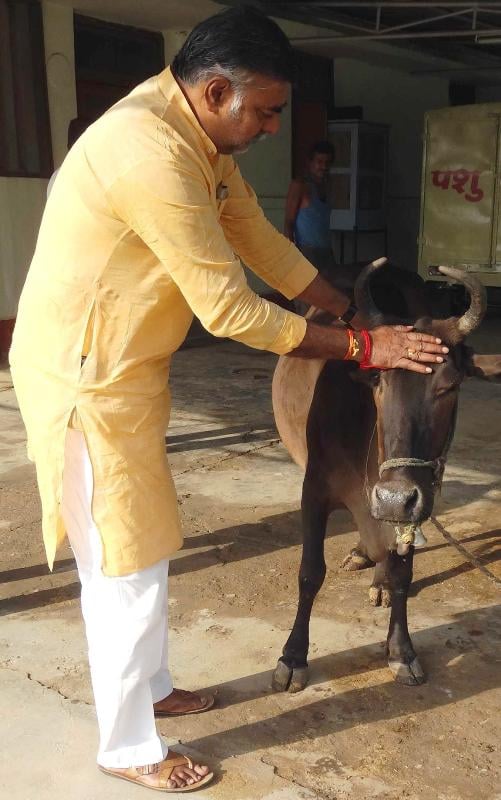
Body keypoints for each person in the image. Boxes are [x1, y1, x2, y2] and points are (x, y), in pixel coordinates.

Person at [9, 5, 448, 794]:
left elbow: (259, 242)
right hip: (86, 379)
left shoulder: (194, 135)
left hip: (126, 371)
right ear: (216, 92)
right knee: (121, 564)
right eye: (267, 111)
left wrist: (348, 307)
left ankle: (151, 688)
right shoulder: (149, 151)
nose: (274, 127)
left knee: (147, 543)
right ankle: (129, 745)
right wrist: (360, 347)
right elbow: (231, 311)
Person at [285, 140, 335, 276]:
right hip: (306, 251)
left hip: (326, 251)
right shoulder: (299, 185)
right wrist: (292, 256)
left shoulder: (328, 185)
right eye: (319, 162)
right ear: (310, 163)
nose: (323, 167)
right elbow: (288, 222)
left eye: (327, 162)